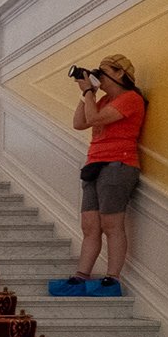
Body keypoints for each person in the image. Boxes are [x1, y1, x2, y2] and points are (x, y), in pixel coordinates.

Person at [51, 53, 146, 297]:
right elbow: (80, 123)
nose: (98, 77)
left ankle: (112, 280)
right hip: (94, 164)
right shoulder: (102, 100)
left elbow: (93, 120)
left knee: (111, 224)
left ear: (119, 74)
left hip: (118, 163)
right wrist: (88, 93)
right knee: (89, 225)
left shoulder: (130, 99)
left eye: (103, 73)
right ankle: (81, 276)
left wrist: (88, 92)